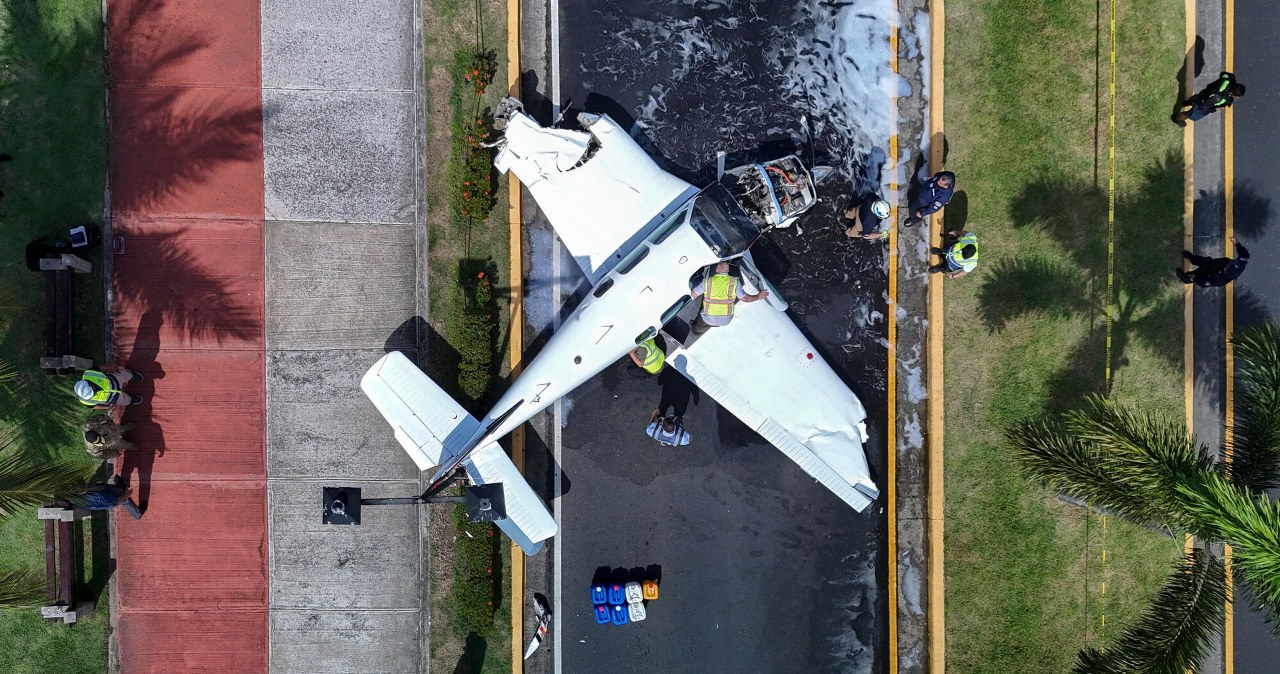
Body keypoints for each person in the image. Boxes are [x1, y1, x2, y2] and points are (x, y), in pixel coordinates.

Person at [689, 261, 769, 334]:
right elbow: (745, 298)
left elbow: (693, 294)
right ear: (728, 270)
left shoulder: (707, 281)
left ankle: (695, 330)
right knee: (712, 317)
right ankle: (713, 323)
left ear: (717, 268)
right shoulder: (735, 281)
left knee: (699, 327)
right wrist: (758, 297)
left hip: (708, 319)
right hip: (725, 320)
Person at [1171, 71, 1245, 127]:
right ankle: (1176, 119)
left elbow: (1222, 74)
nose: (1238, 98)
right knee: (1189, 114)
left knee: (1197, 97)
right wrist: (1217, 109)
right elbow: (1205, 107)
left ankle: (1186, 103)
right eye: (1237, 96)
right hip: (1203, 106)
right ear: (1232, 93)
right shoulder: (1221, 99)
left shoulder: (1230, 77)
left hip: (1205, 92)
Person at [1177, 237, 1249, 287]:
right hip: (1214, 264)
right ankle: (1191, 257)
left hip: (1209, 274)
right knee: (1206, 261)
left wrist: (1194, 278)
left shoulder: (1218, 280)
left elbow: (1203, 283)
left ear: (1226, 270)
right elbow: (1245, 255)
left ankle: (1186, 279)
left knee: (1194, 274)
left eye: (1228, 265)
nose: (1230, 262)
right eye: (1232, 262)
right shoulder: (1240, 264)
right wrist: (1237, 243)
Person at [70, 475, 144, 519]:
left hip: (104, 492)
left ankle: (120, 487)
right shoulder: (100, 496)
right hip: (109, 500)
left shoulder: (73, 498)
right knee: (125, 500)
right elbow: (118, 501)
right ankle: (137, 514)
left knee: (114, 489)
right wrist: (126, 494)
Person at [73, 366, 144, 408]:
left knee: (124, 374)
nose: (95, 392)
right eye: (93, 394)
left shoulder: (89, 373)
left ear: (89, 383)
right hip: (114, 398)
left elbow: (100, 368)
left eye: (93, 390)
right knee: (126, 400)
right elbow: (94, 407)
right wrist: (106, 407)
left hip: (115, 380)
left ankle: (131, 376)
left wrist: (111, 367)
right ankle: (131, 400)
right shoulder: (85, 401)